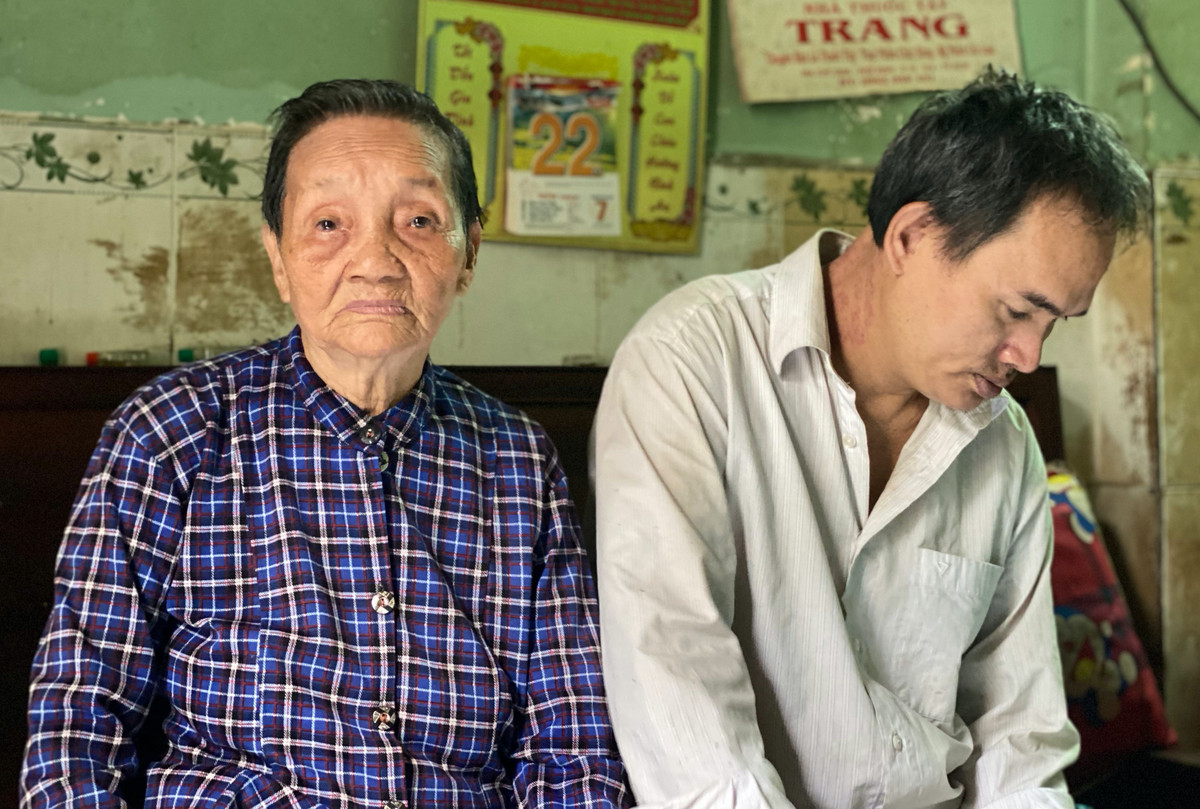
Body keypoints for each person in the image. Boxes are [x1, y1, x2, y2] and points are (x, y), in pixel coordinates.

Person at [21, 79, 628, 809]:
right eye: (329, 223)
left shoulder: (519, 459)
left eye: (419, 220)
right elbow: (77, 720)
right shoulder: (171, 431)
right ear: (278, 258)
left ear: (469, 252)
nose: (375, 259)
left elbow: (572, 741)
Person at [593, 69, 1149, 809]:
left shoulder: (1003, 440)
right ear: (912, 236)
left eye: (1055, 324)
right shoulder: (693, 362)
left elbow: (1018, 748)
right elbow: (693, 743)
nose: (1028, 356)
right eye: (1018, 310)